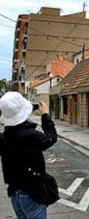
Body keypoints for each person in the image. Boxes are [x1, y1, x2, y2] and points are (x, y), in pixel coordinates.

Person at [0, 91, 58, 219]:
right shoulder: (30, 135)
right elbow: (51, 138)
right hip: (32, 192)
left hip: (15, 193)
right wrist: (45, 116)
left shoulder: (4, 137)